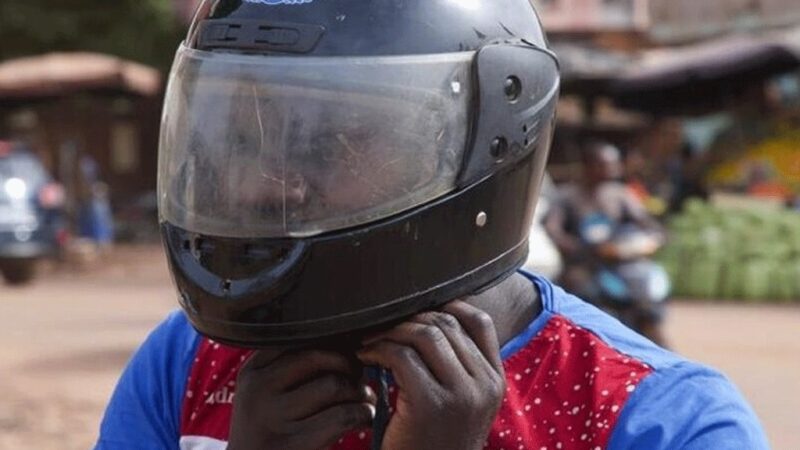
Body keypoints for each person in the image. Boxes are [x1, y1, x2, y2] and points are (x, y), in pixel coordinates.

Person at [96, 1, 768, 449]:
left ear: (481, 146)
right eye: (245, 140)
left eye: (336, 144)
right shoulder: (187, 360)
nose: (274, 182)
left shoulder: (660, 419)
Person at [545, 142, 671, 346]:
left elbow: (645, 222)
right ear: (588, 166)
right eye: (604, 164)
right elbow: (554, 230)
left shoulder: (620, 194)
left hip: (619, 265)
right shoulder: (567, 196)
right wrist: (581, 249)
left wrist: (656, 236)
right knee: (582, 297)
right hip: (583, 266)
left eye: (614, 164)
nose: (611, 170)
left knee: (646, 303)